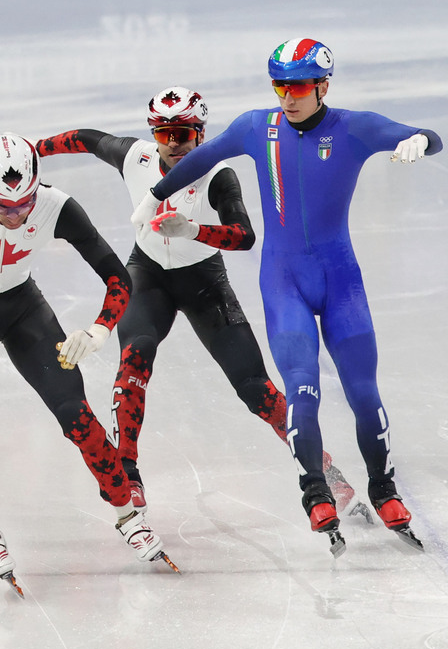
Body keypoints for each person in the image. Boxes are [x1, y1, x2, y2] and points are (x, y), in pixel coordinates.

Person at [131, 39, 441, 554]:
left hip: (341, 281)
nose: (287, 97)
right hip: (284, 282)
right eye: (279, 85)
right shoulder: (258, 127)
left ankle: (383, 489)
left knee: (364, 393)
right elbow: (203, 155)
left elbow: (423, 135)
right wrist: (155, 195)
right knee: (302, 390)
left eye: (297, 86)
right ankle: (315, 491)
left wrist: (420, 142)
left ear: (323, 86)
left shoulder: (352, 127)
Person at [34, 87, 361, 516]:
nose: (173, 142)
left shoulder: (218, 175)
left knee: (256, 389)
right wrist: (32, 151)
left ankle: (324, 470)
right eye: (164, 132)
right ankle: (128, 474)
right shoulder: (135, 158)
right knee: (133, 361)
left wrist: (193, 231)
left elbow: (244, 235)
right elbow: (85, 138)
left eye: (183, 133)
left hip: (204, 281)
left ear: (201, 134)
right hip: (147, 274)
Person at [0, 132, 178, 594]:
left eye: (24, 205)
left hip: (23, 309)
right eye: (2, 208)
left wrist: (100, 329)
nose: (16, 217)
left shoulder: (57, 207)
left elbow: (117, 277)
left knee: (77, 413)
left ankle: (128, 511)